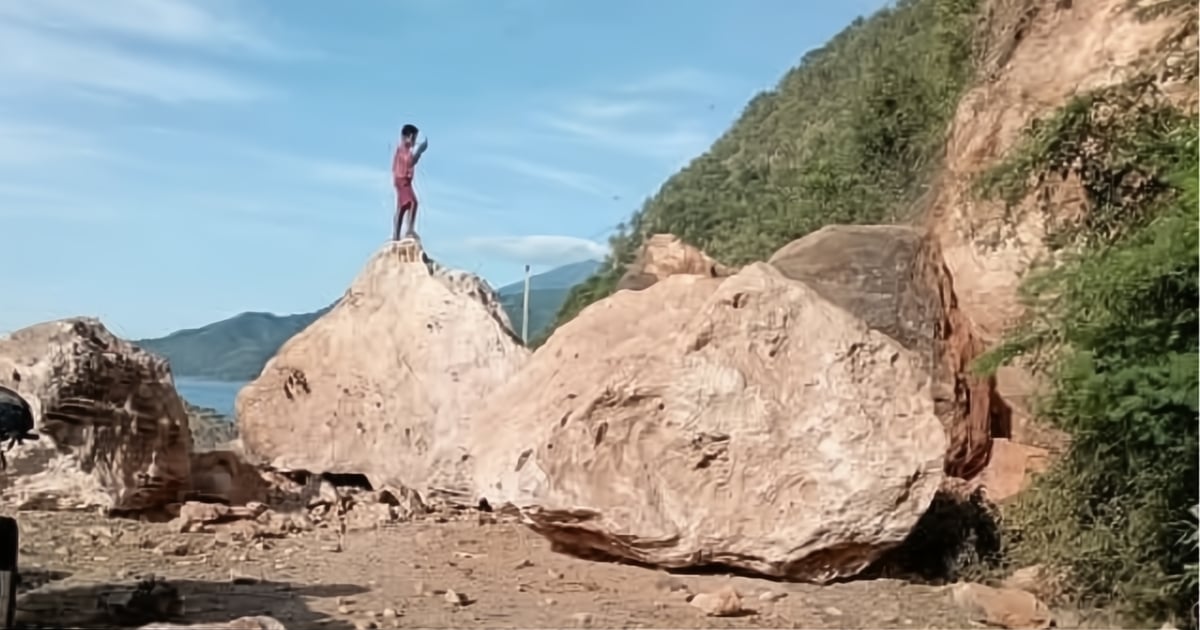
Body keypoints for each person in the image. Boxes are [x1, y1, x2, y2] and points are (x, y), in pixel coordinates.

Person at [392, 123, 429, 240]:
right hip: (402, 179)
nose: (414, 142)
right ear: (409, 137)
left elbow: (410, 162)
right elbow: (410, 161)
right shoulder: (402, 149)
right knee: (413, 202)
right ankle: (409, 229)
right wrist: (420, 151)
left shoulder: (406, 150)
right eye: (414, 138)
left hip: (404, 180)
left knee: (402, 207)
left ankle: (396, 235)